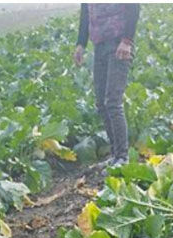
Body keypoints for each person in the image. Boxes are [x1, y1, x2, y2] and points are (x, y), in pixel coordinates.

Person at [73, 4, 140, 167]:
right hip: (99, 46)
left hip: (119, 44)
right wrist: (80, 44)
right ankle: (115, 154)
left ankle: (123, 157)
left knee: (113, 102)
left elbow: (133, 6)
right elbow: (86, 13)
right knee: (101, 103)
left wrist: (127, 41)